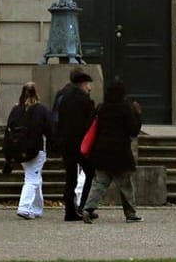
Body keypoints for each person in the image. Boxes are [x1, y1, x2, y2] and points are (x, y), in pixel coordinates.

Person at [82, 79, 143, 223]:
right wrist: (138, 115)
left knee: (99, 183)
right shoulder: (125, 108)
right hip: (120, 153)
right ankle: (130, 213)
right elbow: (133, 131)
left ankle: (88, 208)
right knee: (125, 185)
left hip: (101, 152)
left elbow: (90, 126)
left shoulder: (101, 108)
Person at [52, 69, 96, 222]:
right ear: (82, 85)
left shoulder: (62, 97)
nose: (89, 88)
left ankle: (69, 210)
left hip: (66, 144)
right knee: (90, 173)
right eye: (87, 85)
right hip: (81, 145)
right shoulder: (85, 101)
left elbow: (56, 119)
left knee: (70, 178)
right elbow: (90, 125)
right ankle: (84, 207)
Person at [10, 81, 54, 219]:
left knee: (35, 177)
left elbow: (9, 129)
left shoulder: (16, 109)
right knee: (32, 179)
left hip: (19, 149)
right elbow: (50, 130)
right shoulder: (41, 110)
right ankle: (24, 207)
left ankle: (37, 208)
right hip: (36, 149)